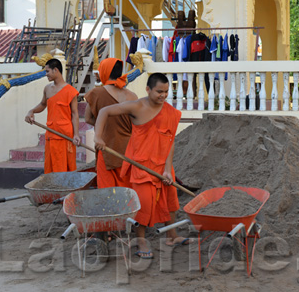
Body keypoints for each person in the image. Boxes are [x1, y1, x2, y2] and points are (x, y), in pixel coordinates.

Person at [94, 72, 191, 259]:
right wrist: (98, 137)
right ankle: (141, 240)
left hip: (163, 165)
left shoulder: (170, 112)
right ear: (148, 89)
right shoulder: (137, 106)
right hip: (141, 165)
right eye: (159, 92)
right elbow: (103, 112)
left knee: (171, 201)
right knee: (143, 204)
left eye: (166, 92)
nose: (163, 96)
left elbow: (170, 142)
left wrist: (167, 169)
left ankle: (172, 236)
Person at [84, 58, 137, 188]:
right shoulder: (132, 96)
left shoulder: (95, 93)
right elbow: (136, 124)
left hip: (106, 147)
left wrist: (103, 125)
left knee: (107, 191)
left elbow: (87, 118)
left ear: (104, 72)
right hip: (127, 149)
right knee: (126, 190)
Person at [25, 59, 80, 173]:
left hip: (65, 135)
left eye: (47, 71)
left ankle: (67, 191)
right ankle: (52, 191)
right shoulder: (47, 89)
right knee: (51, 167)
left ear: (56, 70)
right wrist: (31, 111)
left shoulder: (70, 91)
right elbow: (42, 105)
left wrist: (76, 134)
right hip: (51, 133)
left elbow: (75, 114)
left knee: (66, 167)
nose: (46, 75)